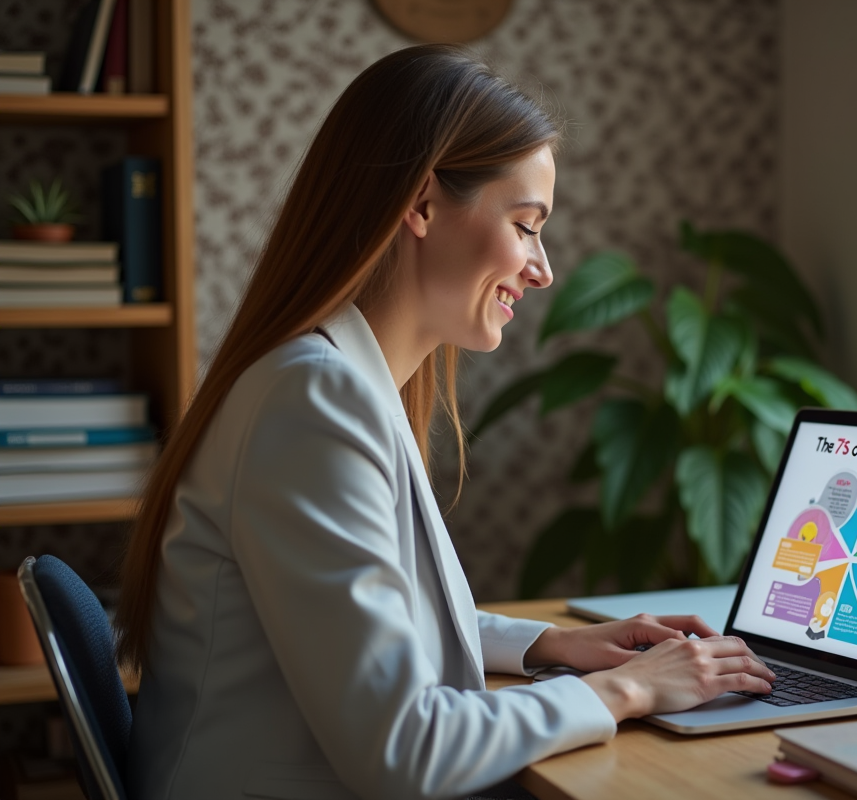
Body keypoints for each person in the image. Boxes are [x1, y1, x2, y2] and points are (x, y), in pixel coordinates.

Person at [116, 44, 775, 800]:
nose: (543, 268)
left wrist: (554, 644)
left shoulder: (334, 383)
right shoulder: (312, 405)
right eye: (527, 225)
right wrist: (629, 691)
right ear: (422, 205)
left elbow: (375, 625)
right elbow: (405, 749)